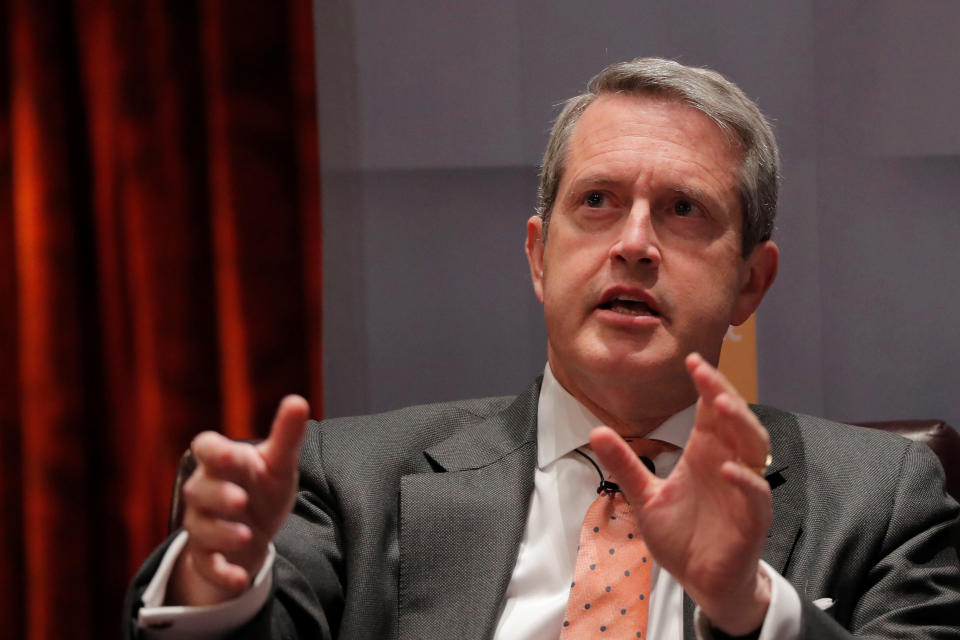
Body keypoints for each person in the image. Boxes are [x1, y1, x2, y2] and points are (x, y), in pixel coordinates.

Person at [125, 58, 960, 639]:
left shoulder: (882, 499)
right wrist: (216, 588)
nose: (634, 243)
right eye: (597, 200)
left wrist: (751, 605)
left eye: (683, 211)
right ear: (538, 254)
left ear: (750, 282)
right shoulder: (347, 479)